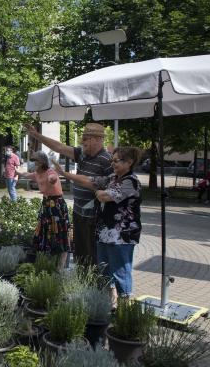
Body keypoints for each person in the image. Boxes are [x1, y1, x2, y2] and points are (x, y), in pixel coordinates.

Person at [53, 147, 142, 304]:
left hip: (122, 236)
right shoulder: (113, 179)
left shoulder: (131, 182)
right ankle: (110, 303)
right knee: (105, 271)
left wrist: (101, 193)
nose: (113, 163)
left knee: (120, 272)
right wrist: (65, 174)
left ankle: (125, 308)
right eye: (112, 160)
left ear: (129, 162)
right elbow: (89, 180)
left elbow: (105, 196)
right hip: (104, 233)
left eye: (117, 160)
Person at [25, 123, 112, 266]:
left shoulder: (106, 160)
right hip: (79, 211)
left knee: (91, 252)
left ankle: (93, 283)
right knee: (79, 251)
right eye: (83, 138)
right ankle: (82, 280)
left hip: (94, 216)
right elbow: (59, 147)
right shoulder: (82, 154)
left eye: (86, 138)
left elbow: (112, 185)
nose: (82, 141)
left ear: (98, 139)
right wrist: (36, 135)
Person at [18, 151, 70, 269]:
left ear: (42, 162)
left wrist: (52, 180)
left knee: (60, 234)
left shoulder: (50, 172)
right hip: (46, 205)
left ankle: (60, 268)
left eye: (35, 162)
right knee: (44, 234)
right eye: (33, 162)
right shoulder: (37, 173)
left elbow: (53, 177)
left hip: (57, 206)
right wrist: (17, 173)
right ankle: (47, 264)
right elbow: (28, 175)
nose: (33, 165)